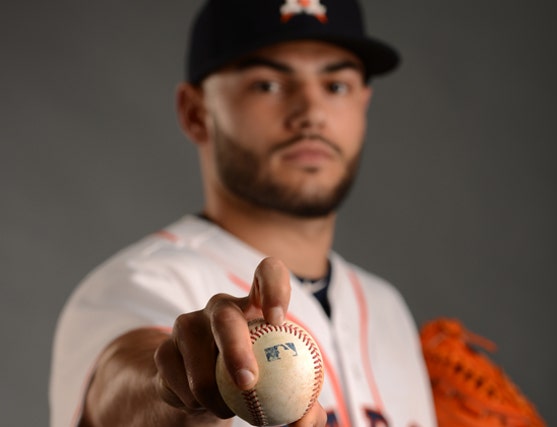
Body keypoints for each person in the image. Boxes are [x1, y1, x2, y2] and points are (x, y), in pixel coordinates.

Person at [50, 1, 437, 426]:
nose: (312, 113)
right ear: (196, 113)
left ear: (364, 104)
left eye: (336, 85)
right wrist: (181, 388)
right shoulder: (136, 283)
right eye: (268, 84)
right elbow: (123, 387)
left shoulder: (387, 309)